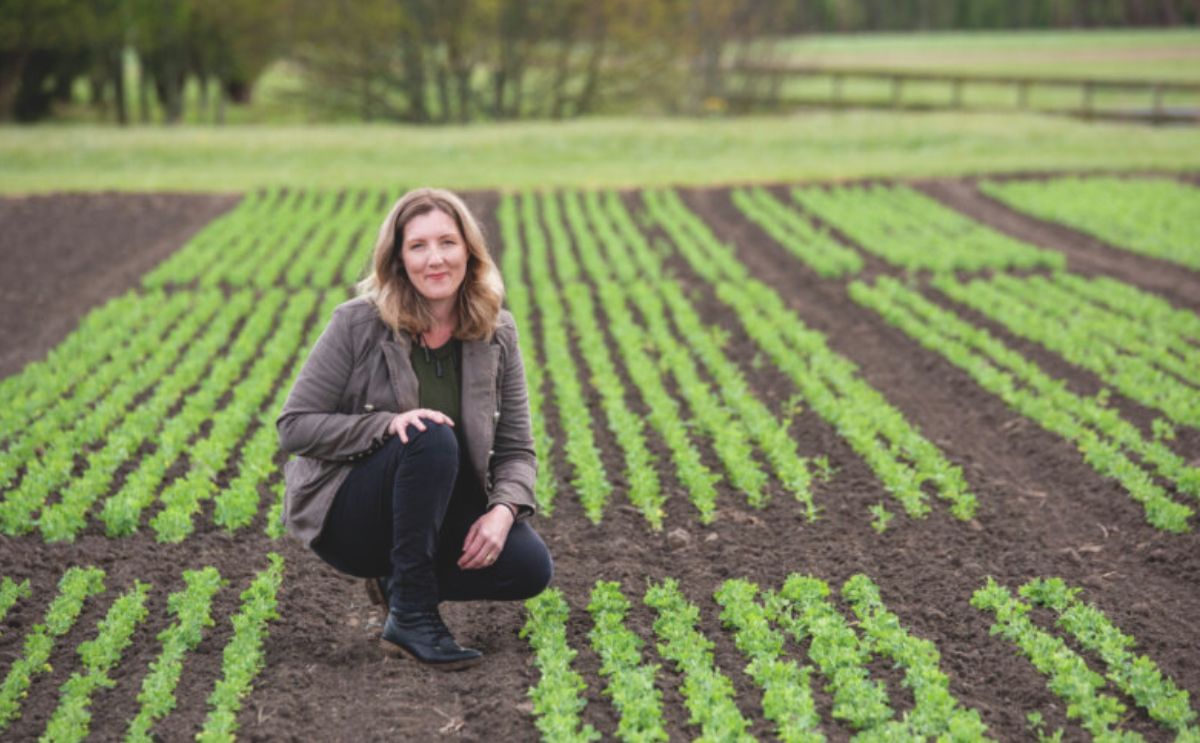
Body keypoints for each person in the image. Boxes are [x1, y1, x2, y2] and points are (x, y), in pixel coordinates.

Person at [276, 187, 553, 670]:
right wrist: (386, 425)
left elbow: (516, 449)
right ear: (399, 260)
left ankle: (402, 581)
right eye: (418, 246)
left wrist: (504, 511)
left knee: (527, 567)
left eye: (447, 242)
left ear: (469, 250)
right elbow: (295, 427)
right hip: (353, 512)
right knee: (428, 434)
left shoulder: (497, 331)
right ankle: (413, 615)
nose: (435, 259)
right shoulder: (358, 323)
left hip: (436, 506)